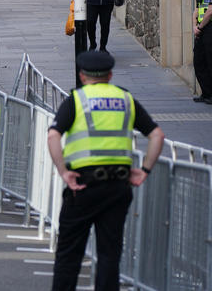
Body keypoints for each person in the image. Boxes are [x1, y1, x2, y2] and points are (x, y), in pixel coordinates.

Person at [47, 50, 165, 291]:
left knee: (69, 256)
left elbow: (53, 136)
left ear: (82, 76)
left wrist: (63, 171)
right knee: (110, 256)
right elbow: (156, 135)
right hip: (117, 187)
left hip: (82, 186)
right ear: (110, 75)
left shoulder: (77, 100)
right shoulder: (125, 98)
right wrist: (144, 170)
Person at [194, 0, 212, 103]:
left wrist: (199, 28)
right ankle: (206, 93)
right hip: (201, 29)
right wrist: (195, 26)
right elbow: (197, 9)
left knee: (209, 61)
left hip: (209, 28)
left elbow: (211, 11)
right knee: (199, 61)